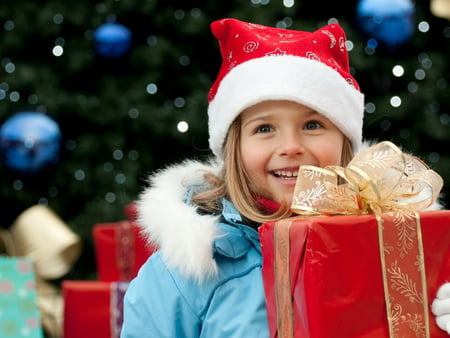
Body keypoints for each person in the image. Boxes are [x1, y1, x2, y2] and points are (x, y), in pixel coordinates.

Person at [121, 18, 449, 337]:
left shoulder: (403, 251)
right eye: (264, 128)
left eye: (312, 125)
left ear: (345, 144)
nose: (291, 147)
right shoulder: (187, 271)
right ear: (234, 150)